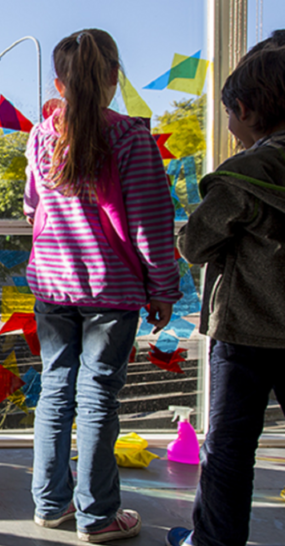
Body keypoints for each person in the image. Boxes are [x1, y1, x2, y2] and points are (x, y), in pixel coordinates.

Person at [24, 29, 181, 543]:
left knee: (54, 390)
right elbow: (152, 224)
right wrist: (163, 288)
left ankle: (50, 506)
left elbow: (32, 208)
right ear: (114, 78)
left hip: (50, 283)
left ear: (58, 83)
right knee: (95, 399)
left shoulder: (41, 135)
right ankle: (97, 518)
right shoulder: (131, 137)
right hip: (110, 290)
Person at [166, 38, 285, 546]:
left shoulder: (245, 173)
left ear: (245, 108)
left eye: (230, 117)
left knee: (229, 450)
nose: (230, 130)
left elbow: (194, 243)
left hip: (245, 334)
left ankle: (213, 542)